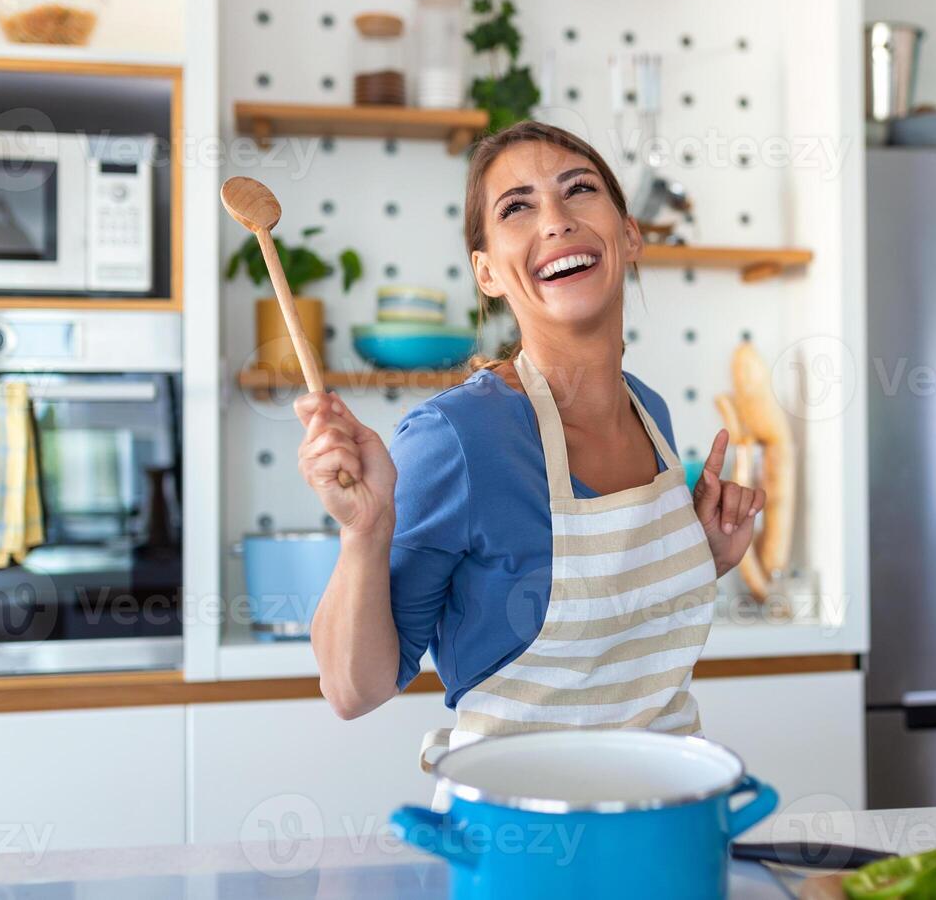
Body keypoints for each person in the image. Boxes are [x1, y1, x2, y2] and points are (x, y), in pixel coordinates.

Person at [294, 121, 764, 769]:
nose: (556, 220)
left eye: (579, 191)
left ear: (630, 236)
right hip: (520, 832)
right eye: (517, 206)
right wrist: (365, 531)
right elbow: (353, 690)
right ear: (486, 272)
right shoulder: (456, 439)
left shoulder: (648, 411)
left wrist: (696, 556)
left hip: (665, 804)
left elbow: (607, 645)